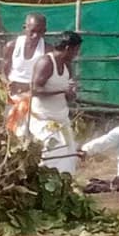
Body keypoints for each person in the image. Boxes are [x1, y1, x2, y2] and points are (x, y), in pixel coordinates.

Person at [28, 31, 82, 175]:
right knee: (54, 153)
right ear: (68, 48)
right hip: (43, 119)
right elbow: (34, 90)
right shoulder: (46, 62)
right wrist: (61, 90)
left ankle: (65, 184)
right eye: (76, 50)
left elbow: (68, 96)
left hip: (61, 119)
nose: (76, 54)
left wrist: (70, 93)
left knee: (70, 154)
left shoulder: (67, 66)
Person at [3, 14, 47, 137]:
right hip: (12, 96)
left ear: (45, 31)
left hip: (34, 96)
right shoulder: (12, 46)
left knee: (30, 134)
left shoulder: (47, 50)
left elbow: (46, 78)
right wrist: (6, 86)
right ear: (24, 28)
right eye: (32, 31)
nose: (36, 35)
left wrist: (26, 87)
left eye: (40, 32)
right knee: (10, 132)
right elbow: (4, 71)